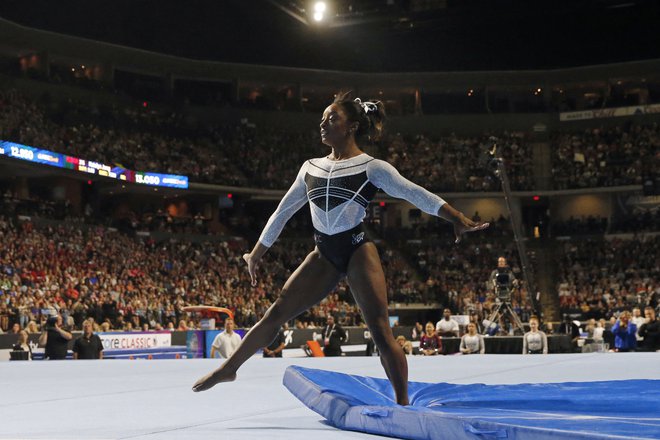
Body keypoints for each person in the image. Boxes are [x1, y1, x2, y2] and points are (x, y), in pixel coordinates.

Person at [192, 91, 488, 405]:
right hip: (324, 253)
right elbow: (282, 211)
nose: (323, 124)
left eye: (332, 118)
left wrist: (455, 217)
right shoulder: (309, 168)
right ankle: (229, 367)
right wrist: (256, 253)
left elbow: (414, 193)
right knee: (275, 313)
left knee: (379, 329)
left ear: (352, 126)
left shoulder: (372, 167)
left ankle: (403, 402)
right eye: (321, 119)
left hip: (358, 248)